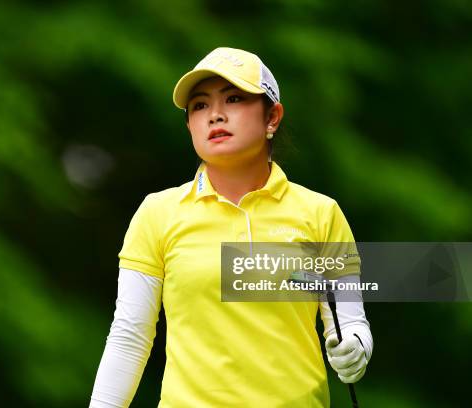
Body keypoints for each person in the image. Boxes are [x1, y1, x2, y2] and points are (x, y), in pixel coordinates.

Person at [90, 47, 373, 407]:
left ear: (272, 117)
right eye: (200, 106)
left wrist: (354, 350)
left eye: (234, 98)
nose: (215, 115)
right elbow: (130, 336)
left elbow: (350, 323)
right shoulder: (157, 213)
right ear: (189, 125)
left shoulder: (320, 213)